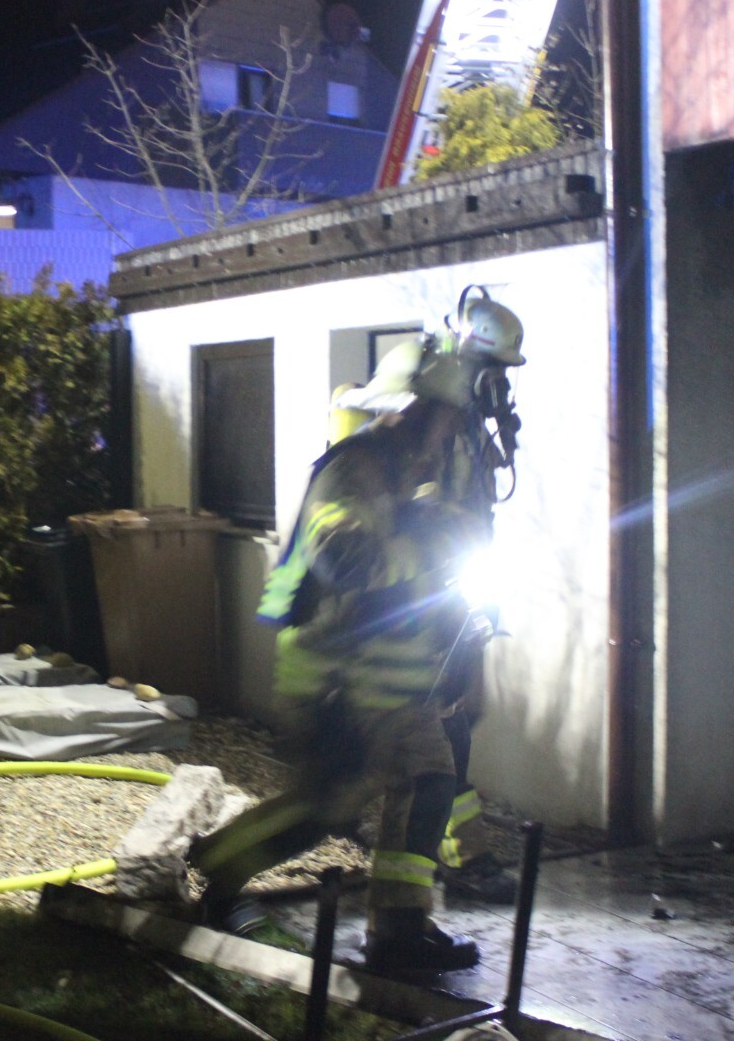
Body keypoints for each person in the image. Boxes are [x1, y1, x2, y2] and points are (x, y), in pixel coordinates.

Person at [188, 288, 526, 973]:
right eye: (444, 416)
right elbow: (342, 560)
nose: (451, 429)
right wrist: (428, 543)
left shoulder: (416, 474)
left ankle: (398, 931)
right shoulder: (356, 468)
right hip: (336, 675)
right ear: (412, 411)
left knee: (430, 784)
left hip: (393, 673)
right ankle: (219, 872)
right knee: (326, 809)